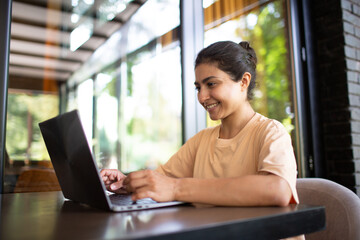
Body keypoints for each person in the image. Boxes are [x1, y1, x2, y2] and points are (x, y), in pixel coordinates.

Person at [101, 40, 299, 207]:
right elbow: (159, 181)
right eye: (198, 87)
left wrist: (177, 188)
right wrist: (125, 182)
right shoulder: (201, 141)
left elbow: (277, 189)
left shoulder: (270, 132)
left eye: (211, 84)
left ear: (243, 82)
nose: (202, 97)